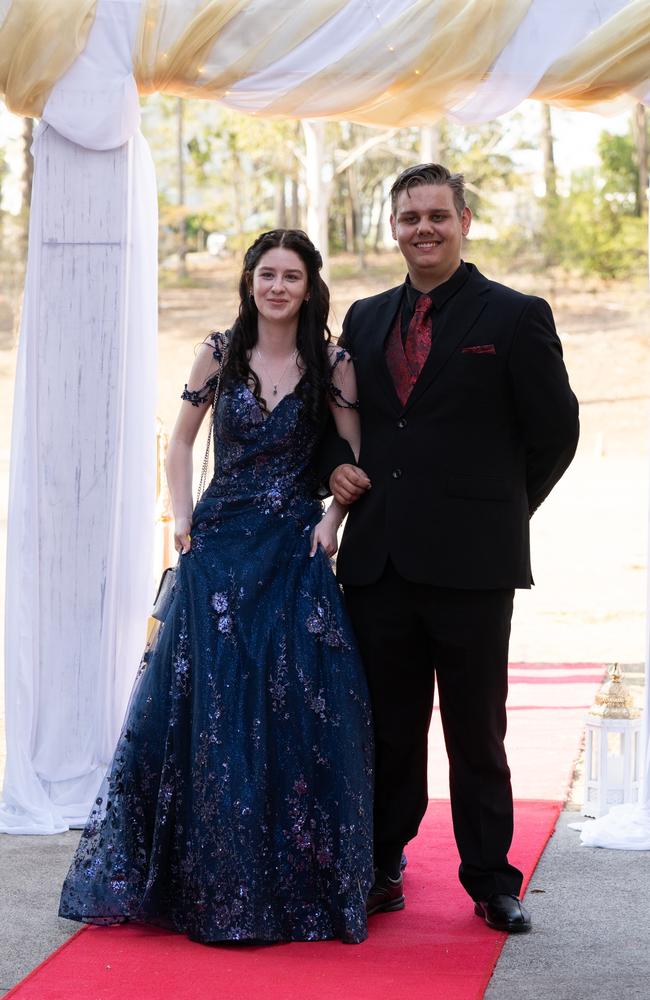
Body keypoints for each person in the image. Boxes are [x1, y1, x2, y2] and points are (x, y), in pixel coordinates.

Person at [59, 229, 374, 944]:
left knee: (296, 705)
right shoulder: (218, 351)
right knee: (212, 708)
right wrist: (182, 517)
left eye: (292, 276)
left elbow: (355, 453)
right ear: (250, 280)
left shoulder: (333, 362)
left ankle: (295, 879)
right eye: (267, 274)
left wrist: (333, 523)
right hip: (219, 549)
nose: (278, 287)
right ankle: (208, 876)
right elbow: (178, 440)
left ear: (309, 284)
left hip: (293, 549)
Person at [328, 164, 580, 933]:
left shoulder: (515, 316)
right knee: (386, 728)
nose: (424, 229)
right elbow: (337, 426)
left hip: (474, 566)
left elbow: (556, 435)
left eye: (438, 214)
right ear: (394, 228)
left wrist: (499, 512)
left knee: (478, 730)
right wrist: (331, 469)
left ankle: (492, 880)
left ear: (466, 221)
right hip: (377, 563)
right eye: (410, 218)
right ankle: (379, 865)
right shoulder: (364, 321)